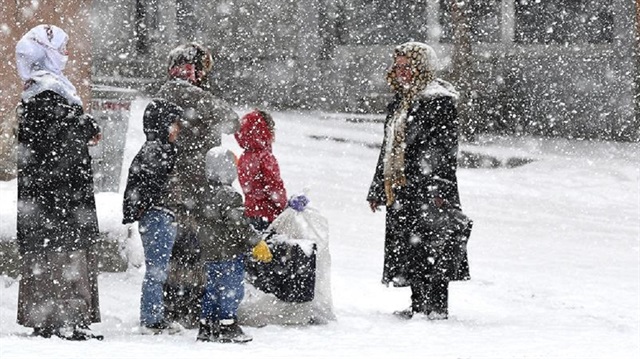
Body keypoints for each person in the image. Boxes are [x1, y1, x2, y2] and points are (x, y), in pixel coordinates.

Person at [367, 42, 472, 320]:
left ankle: (436, 307)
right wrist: (378, 187)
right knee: (410, 245)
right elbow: (388, 147)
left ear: (422, 67)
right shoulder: (402, 101)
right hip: (402, 186)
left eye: (407, 66)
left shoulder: (438, 100)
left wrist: (439, 187)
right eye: (398, 66)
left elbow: (444, 148)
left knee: (434, 243)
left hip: (429, 186)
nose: (401, 72)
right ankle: (417, 305)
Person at [14, 24, 103, 340]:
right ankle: (62, 320)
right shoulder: (47, 93)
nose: (65, 53)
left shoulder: (46, 90)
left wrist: (81, 126)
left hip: (48, 200)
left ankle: (56, 319)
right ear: (45, 52)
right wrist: (81, 128)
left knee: (54, 256)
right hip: (58, 201)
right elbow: (57, 147)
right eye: (61, 48)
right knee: (62, 258)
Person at [155, 42, 240, 328]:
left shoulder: (173, 90)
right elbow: (231, 120)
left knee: (184, 247)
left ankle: (181, 305)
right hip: (186, 185)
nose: (204, 74)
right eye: (202, 68)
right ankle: (184, 307)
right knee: (189, 246)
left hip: (185, 183)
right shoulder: (181, 90)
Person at [196, 147, 273, 343]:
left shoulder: (204, 193)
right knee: (231, 290)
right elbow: (239, 225)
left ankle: (207, 325)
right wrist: (256, 242)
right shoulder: (229, 195)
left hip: (209, 254)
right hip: (228, 253)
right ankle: (227, 325)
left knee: (211, 290)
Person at [122, 99, 184, 334]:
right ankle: (151, 319)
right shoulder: (156, 150)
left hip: (161, 215)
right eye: (174, 124)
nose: (177, 130)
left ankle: (156, 314)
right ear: (162, 125)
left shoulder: (159, 149)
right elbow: (147, 185)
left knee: (160, 269)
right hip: (157, 216)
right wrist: (146, 207)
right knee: (157, 270)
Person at [234, 109, 289, 231]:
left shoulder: (245, 157)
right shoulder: (264, 157)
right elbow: (274, 187)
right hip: (268, 216)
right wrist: (285, 206)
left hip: (251, 213)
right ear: (264, 131)